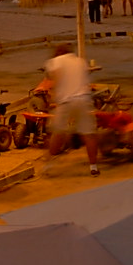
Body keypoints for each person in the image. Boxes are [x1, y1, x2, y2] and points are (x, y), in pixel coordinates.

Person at [45, 43, 100, 177]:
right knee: (89, 134)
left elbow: (55, 78)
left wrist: (54, 96)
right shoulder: (80, 61)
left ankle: (48, 165)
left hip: (66, 101)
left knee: (58, 132)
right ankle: (93, 167)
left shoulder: (55, 61)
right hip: (84, 99)